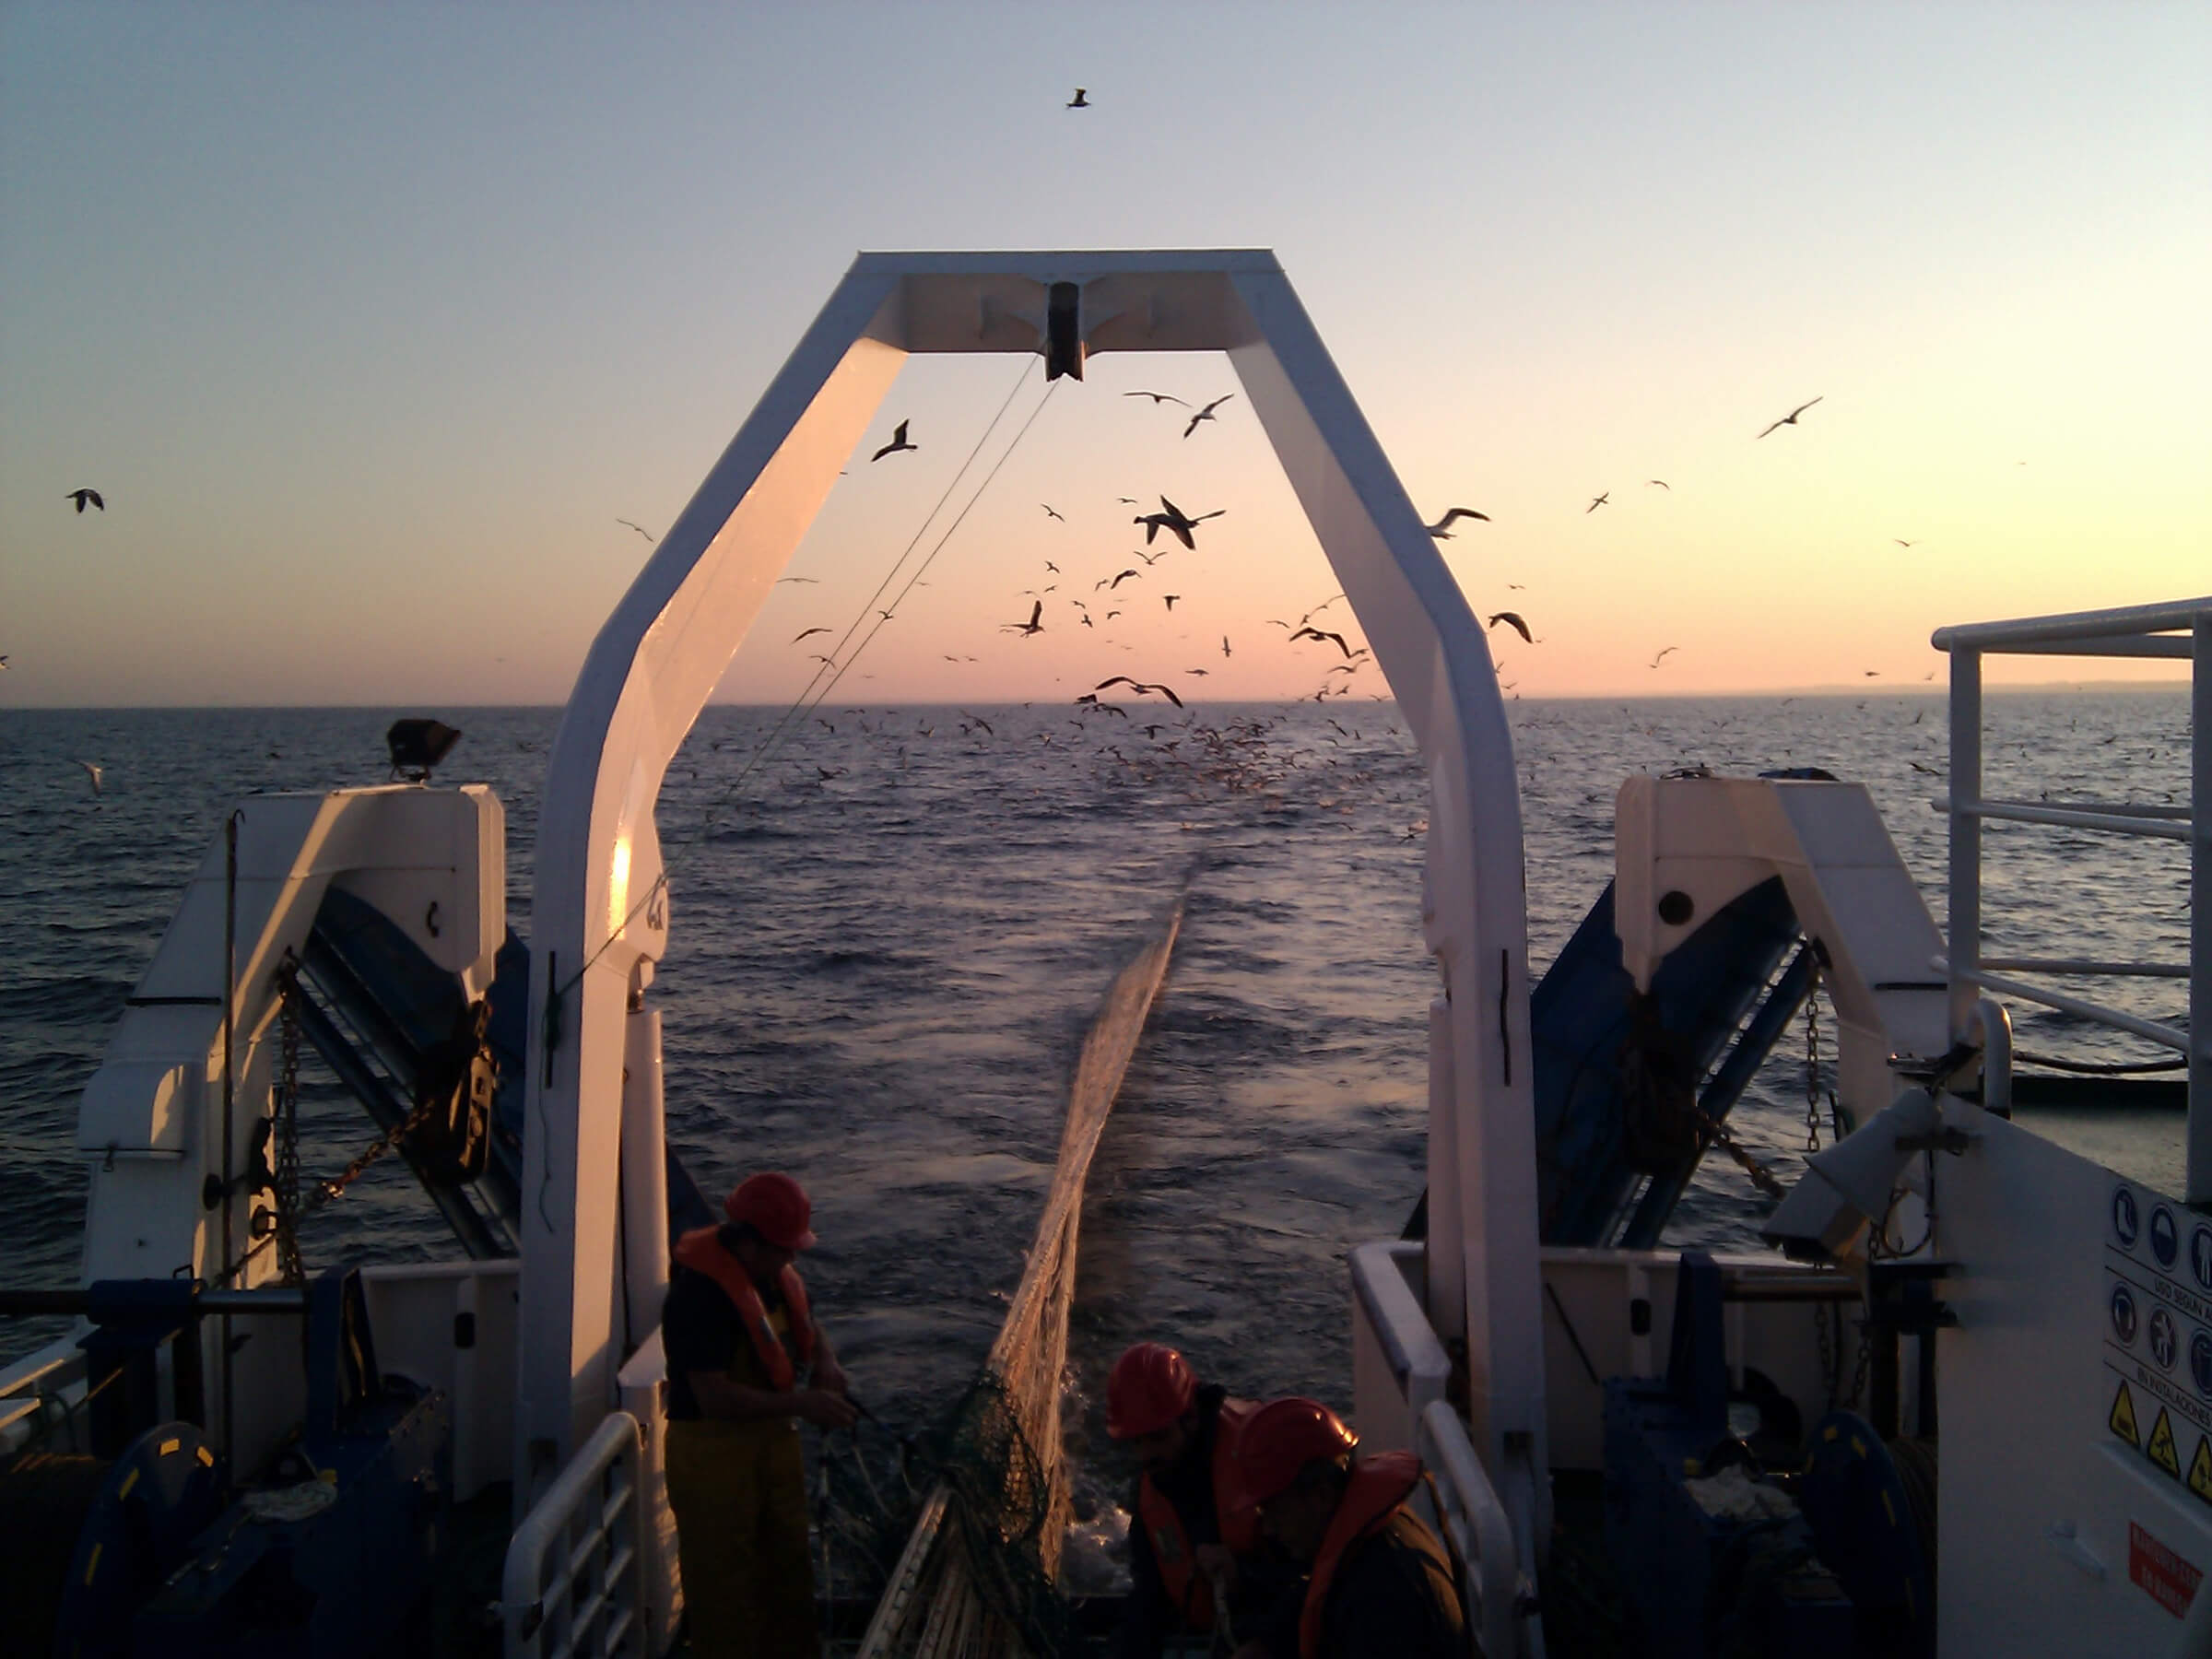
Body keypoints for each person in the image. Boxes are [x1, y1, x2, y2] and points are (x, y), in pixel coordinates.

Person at [661, 1171, 855, 1659]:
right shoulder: (697, 1298)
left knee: (790, 1571)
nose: (792, 1259)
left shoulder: (769, 1277)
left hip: (771, 1446)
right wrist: (802, 1404)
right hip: (712, 1460)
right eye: (783, 1249)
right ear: (747, 1242)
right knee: (727, 1592)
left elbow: (807, 1323)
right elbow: (714, 1398)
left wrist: (826, 1362)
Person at [1227, 1397, 1465, 1659]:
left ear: (1320, 1497)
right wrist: (1268, 1642)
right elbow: (1318, 1591)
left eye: (1273, 1511)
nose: (1268, 1529)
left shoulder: (1383, 1599)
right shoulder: (1365, 1540)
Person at [1108, 1341, 1291, 1659]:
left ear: (1191, 1418)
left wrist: (1244, 1576)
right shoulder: (1151, 1492)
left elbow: (1318, 1573)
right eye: (1136, 1442)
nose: (1146, 1454)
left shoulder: (1259, 1454)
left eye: (1157, 1437)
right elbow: (1149, 1594)